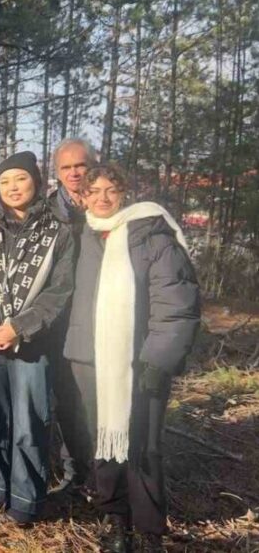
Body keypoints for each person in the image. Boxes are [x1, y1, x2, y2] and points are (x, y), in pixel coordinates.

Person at [65, 163, 199, 553]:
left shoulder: (151, 233)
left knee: (143, 443)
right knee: (103, 440)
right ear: (83, 195)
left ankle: (149, 529)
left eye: (112, 189)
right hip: (90, 360)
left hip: (142, 361)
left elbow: (177, 302)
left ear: (124, 193)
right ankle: (115, 519)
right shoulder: (80, 235)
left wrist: (159, 358)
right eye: (95, 190)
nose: (103, 198)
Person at [0, 151, 76, 527]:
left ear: (37, 183)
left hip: (32, 342)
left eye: (21, 180)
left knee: (30, 422)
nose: (13, 188)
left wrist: (20, 326)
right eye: (6, 181)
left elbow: (59, 293)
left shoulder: (59, 232)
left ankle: (26, 500)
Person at [48, 137, 99, 493]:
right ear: (56, 172)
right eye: (66, 167)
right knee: (66, 397)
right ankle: (74, 471)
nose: (74, 173)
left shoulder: (109, 205)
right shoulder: (47, 209)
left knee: (98, 403)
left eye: (80, 165)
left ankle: (106, 476)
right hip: (59, 317)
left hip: (101, 316)